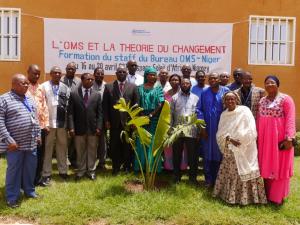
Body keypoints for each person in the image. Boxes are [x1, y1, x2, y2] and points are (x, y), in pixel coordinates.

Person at [213, 92, 267, 205]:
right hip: (230, 148)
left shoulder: (244, 111)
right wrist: (230, 139)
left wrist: (241, 140)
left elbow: (251, 129)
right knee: (231, 171)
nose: (230, 101)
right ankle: (230, 196)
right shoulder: (224, 114)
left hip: (246, 147)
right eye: (227, 99)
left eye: (232, 99)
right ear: (224, 102)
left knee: (247, 169)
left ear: (237, 100)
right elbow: (220, 134)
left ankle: (250, 198)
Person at [0, 74, 40, 208]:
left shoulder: (29, 99)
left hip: (31, 142)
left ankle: (30, 191)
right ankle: (12, 197)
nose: (27, 85)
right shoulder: (4, 99)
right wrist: (8, 140)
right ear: (14, 85)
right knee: (14, 170)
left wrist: (38, 134)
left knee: (30, 169)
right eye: (24, 83)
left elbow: (36, 118)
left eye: (27, 83)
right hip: (14, 145)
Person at [257, 75, 296, 204]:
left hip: (280, 140)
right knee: (266, 164)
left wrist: (289, 138)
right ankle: (267, 194)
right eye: (266, 83)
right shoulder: (262, 100)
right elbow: (259, 120)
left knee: (280, 166)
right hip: (265, 140)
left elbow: (290, 119)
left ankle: (277, 196)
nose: (269, 85)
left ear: (278, 84)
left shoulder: (286, 99)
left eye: (272, 82)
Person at [103, 66, 139, 174]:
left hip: (128, 123)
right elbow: (105, 105)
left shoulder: (133, 87)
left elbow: (136, 105)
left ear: (127, 73)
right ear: (116, 73)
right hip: (114, 123)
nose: (122, 73)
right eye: (120, 72)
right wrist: (106, 120)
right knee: (114, 146)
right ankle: (116, 167)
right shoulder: (109, 86)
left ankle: (127, 167)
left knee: (127, 146)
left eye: (124, 72)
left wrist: (134, 121)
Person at [68, 73, 103, 181]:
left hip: (93, 129)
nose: (91, 81)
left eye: (92, 79)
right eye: (88, 79)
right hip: (79, 128)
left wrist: (99, 127)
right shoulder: (74, 94)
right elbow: (70, 113)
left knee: (92, 150)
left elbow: (100, 113)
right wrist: (71, 127)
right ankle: (81, 171)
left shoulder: (97, 95)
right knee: (80, 150)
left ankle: (91, 171)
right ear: (82, 81)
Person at [197, 72, 229, 187]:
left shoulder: (225, 91)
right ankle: (208, 180)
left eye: (215, 78)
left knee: (220, 153)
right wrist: (203, 128)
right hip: (208, 129)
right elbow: (199, 110)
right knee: (207, 153)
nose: (212, 80)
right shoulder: (204, 92)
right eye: (210, 78)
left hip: (222, 128)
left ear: (219, 79)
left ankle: (219, 180)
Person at [40, 66, 70, 186]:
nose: (57, 74)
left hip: (62, 123)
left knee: (62, 147)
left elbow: (67, 106)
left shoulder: (65, 87)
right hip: (48, 123)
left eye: (59, 73)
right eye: (55, 72)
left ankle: (63, 171)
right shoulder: (44, 86)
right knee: (48, 148)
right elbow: (41, 105)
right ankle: (46, 173)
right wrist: (44, 123)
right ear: (51, 74)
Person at [134, 67, 164, 172]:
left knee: (152, 142)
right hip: (141, 117)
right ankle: (141, 167)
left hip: (154, 118)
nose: (152, 76)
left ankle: (152, 168)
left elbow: (160, 104)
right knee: (141, 141)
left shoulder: (158, 88)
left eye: (154, 74)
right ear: (146, 76)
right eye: (150, 74)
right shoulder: (139, 88)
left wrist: (151, 115)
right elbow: (137, 103)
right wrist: (142, 115)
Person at [171, 78, 200, 184]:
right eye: (183, 83)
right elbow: (171, 115)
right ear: (180, 85)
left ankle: (192, 178)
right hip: (177, 131)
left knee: (192, 156)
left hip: (191, 131)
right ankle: (176, 177)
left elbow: (198, 115)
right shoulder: (174, 98)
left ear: (190, 85)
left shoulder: (196, 98)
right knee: (177, 155)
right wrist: (171, 130)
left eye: (187, 83)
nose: (185, 85)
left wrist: (198, 131)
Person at [26, 64, 49, 185]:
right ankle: (27, 180)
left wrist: (46, 124)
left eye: (38, 73)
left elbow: (44, 106)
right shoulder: (23, 86)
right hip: (27, 128)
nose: (37, 75)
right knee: (28, 155)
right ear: (28, 72)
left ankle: (38, 179)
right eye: (34, 73)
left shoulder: (41, 88)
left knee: (40, 155)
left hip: (40, 127)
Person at [163, 74, 188, 171]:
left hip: (181, 123)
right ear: (169, 82)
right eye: (172, 80)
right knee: (169, 145)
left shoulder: (184, 94)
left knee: (182, 146)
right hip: (168, 123)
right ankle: (169, 167)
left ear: (180, 82)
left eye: (176, 80)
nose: (174, 81)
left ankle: (182, 167)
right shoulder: (166, 94)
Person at [61, 62, 81, 168]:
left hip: (74, 114)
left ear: (75, 70)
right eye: (69, 69)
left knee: (74, 138)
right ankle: (64, 160)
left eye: (73, 69)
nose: (71, 71)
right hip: (62, 114)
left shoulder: (79, 82)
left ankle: (73, 159)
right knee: (64, 139)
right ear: (66, 69)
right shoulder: (60, 81)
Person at [93, 67, 107, 170]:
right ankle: (91, 162)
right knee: (91, 141)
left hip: (102, 118)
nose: (100, 75)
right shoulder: (89, 84)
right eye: (97, 73)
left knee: (102, 142)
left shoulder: (106, 86)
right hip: (91, 118)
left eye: (101, 73)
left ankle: (102, 163)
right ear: (94, 75)